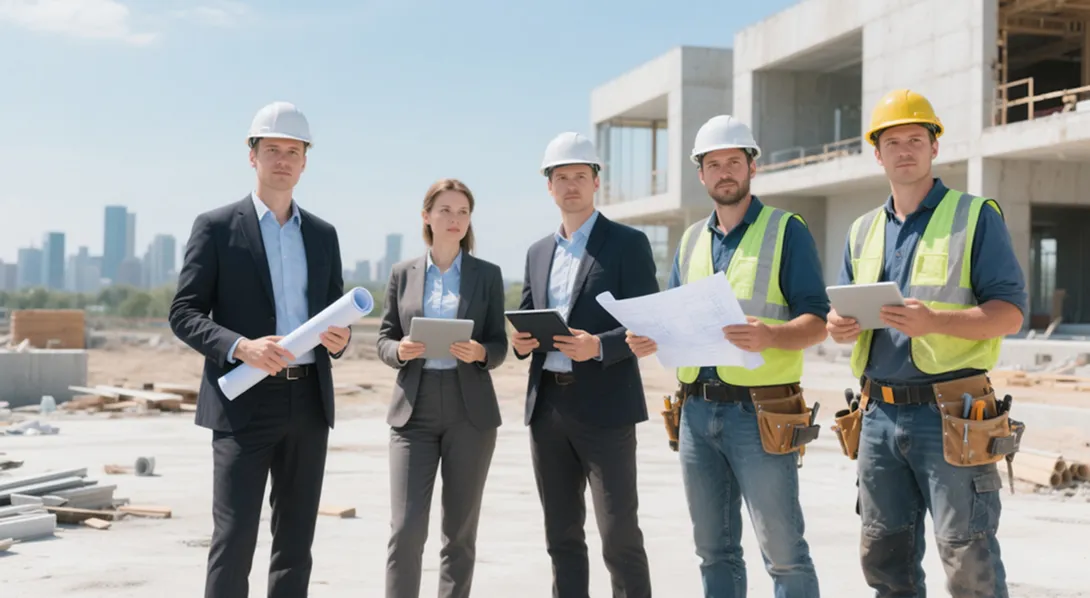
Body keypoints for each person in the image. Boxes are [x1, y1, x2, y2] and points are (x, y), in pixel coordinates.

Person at [826, 89, 1027, 598]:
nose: (904, 150)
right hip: (877, 414)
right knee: (885, 561)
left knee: (968, 561)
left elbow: (1010, 314)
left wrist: (934, 320)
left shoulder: (975, 216)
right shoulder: (861, 231)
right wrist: (838, 326)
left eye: (916, 138)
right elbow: (844, 311)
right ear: (878, 153)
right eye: (892, 141)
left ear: (935, 147)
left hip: (953, 412)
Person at [625, 115, 828, 598]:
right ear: (701, 174)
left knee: (784, 554)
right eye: (713, 164)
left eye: (733, 161)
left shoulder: (786, 230)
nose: (724, 172)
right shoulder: (691, 240)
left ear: (752, 167)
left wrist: (772, 336)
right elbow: (673, 316)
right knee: (713, 551)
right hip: (696, 412)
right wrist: (650, 338)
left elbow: (817, 321)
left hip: (761, 413)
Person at [169, 101, 352, 598]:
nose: (283, 160)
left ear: (305, 160)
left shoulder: (322, 235)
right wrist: (240, 346)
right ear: (252, 156)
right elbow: (183, 314)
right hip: (243, 402)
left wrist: (341, 338)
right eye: (272, 149)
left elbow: (332, 313)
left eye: (293, 151)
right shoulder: (216, 227)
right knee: (234, 539)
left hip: (308, 404)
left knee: (295, 544)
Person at [511, 131, 658, 598]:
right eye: (561, 177)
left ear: (597, 182)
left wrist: (598, 345)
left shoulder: (627, 244)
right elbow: (528, 313)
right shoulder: (537, 252)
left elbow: (648, 325)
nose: (570, 185)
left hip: (607, 409)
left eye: (580, 176)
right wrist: (518, 342)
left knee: (619, 536)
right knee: (562, 536)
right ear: (548, 186)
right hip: (548, 408)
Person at [376, 178, 508, 598]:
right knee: (406, 530)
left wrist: (480, 352)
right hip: (413, 409)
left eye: (463, 212)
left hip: (471, 411)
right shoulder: (402, 274)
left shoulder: (487, 275)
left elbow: (499, 344)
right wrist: (400, 350)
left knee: (459, 533)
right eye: (445, 210)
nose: (454, 220)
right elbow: (383, 338)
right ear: (426, 216)